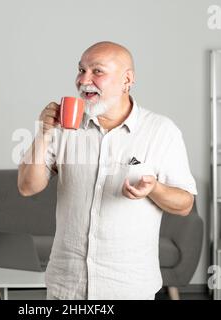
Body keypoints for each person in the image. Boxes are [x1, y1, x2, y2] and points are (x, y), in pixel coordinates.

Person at [17, 41, 197, 300]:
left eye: (97, 71)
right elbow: (27, 187)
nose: (83, 80)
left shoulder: (161, 131)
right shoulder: (63, 127)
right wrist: (44, 134)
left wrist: (154, 189)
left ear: (127, 80)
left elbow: (185, 204)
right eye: (81, 70)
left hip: (128, 287)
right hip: (67, 287)